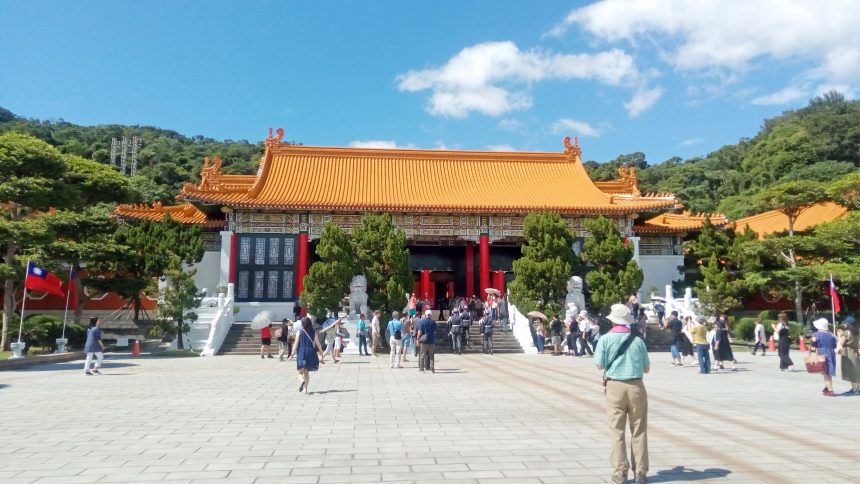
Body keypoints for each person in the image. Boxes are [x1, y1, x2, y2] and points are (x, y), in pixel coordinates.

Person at [593, 304, 650, 484]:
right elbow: (647, 368)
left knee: (617, 431)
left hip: (614, 387)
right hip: (636, 386)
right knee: (639, 430)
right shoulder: (638, 340)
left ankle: (620, 473)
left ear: (612, 320)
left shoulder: (605, 339)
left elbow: (599, 364)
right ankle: (640, 472)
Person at [291, 317, 325, 393]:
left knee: (300, 371)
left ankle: (302, 380)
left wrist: (292, 353)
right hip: (311, 352)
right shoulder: (314, 332)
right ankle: (305, 389)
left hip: (302, 352)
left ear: (302, 324)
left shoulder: (299, 332)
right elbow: (318, 344)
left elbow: (296, 344)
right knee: (306, 372)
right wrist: (321, 353)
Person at [811, 318, 837, 396]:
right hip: (831, 353)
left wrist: (813, 355)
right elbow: (834, 345)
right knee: (828, 371)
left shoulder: (816, 334)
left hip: (822, 353)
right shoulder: (831, 334)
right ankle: (827, 387)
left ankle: (830, 390)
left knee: (825, 372)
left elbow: (813, 345)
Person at [837, 316, 860, 394]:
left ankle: (854, 390)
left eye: (845, 323)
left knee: (851, 371)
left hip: (848, 353)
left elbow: (841, 343)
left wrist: (839, 335)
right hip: (855, 352)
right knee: (856, 370)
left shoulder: (846, 333)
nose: (844, 324)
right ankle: (858, 389)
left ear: (848, 324)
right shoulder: (857, 332)